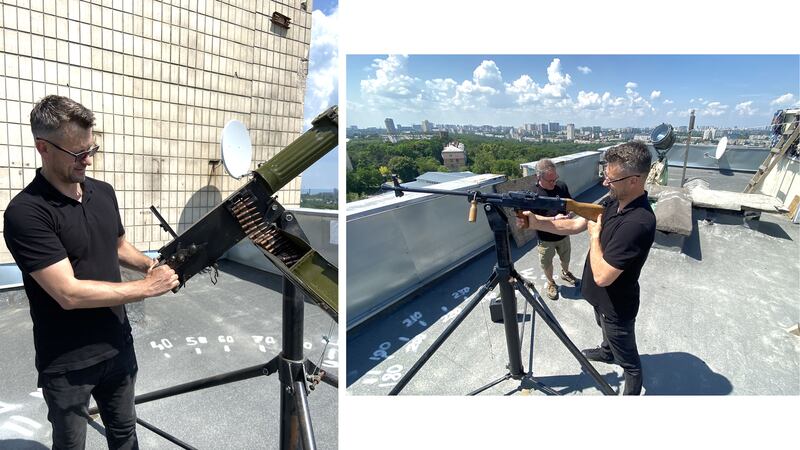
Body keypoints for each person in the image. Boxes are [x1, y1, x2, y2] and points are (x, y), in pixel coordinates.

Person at [3, 95, 179, 448]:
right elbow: (68, 293)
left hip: (117, 344)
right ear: (43, 148)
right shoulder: (26, 213)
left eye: (91, 148)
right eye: (77, 153)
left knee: (125, 434)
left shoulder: (103, 192)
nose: (88, 159)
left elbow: (116, 246)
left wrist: (148, 264)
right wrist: (147, 287)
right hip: (67, 363)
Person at [517, 141, 656, 395]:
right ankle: (606, 352)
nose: (605, 183)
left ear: (634, 180)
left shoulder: (639, 223)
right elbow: (571, 226)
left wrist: (594, 236)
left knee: (631, 364)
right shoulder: (614, 201)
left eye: (611, 179)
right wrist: (536, 221)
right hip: (599, 299)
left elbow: (603, 276)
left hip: (617, 306)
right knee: (604, 331)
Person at [529, 159, 578, 300]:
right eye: (550, 181)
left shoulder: (561, 186)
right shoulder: (533, 194)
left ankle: (565, 272)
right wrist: (554, 219)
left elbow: (570, 204)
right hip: (545, 238)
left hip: (563, 233)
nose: (554, 183)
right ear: (538, 177)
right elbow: (533, 218)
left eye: (555, 178)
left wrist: (570, 214)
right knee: (547, 263)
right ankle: (551, 282)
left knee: (565, 258)